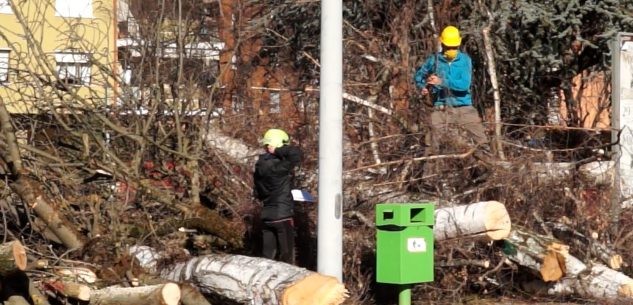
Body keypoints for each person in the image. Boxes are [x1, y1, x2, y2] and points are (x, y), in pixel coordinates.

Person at [414, 25, 488, 150]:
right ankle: (432, 167)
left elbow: (464, 85)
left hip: (464, 107)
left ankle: (491, 165)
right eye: (449, 46)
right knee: (430, 144)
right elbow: (418, 76)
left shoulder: (465, 60)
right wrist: (423, 86)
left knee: (482, 142)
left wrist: (441, 81)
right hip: (441, 109)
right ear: (443, 45)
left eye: (454, 47)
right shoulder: (434, 60)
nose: (451, 49)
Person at [253, 128, 302, 264]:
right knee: (287, 258)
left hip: (267, 216)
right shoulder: (277, 166)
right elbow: (296, 154)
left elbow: (258, 193)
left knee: (267, 258)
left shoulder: (259, 166)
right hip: (282, 216)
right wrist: (276, 150)